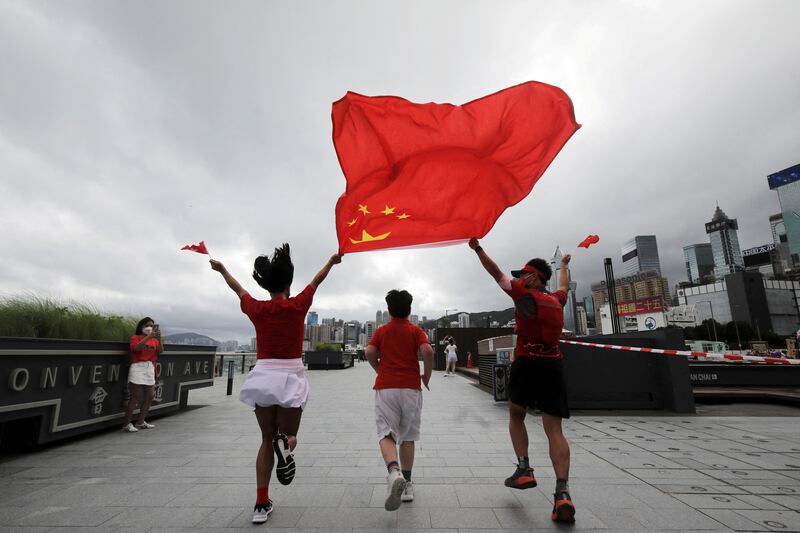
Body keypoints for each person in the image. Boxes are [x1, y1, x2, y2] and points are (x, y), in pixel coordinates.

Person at [210, 244, 341, 524]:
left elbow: (238, 289)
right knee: (288, 436)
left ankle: (260, 504)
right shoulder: (297, 305)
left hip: (263, 376)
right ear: (288, 284)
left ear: (266, 285)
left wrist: (222, 269)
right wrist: (331, 260)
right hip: (290, 375)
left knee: (265, 440)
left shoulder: (257, 308)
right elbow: (316, 281)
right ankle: (287, 445)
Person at [468, 237, 576, 524]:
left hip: (527, 362)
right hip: (553, 365)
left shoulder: (522, 295)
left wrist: (477, 248)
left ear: (533, 277)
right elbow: (563, 284)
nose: (519, 279)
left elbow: (495, 273)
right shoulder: (557, 300)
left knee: (516, 415)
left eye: (523, 275)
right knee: (555, 429)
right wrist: (563, 265)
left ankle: (524, 469)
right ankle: (562, 493)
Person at [366, 290, 433, 511]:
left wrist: (379, 369)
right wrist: (426, 376)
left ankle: (393, 471)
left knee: (386, 433)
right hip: (411, 388)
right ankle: (407, 484)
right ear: (409, 309)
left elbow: (369, 351)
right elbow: (428, 351)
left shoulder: (382, 330)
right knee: (408, 437)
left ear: (388, 310)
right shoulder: (415, 330)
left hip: (386, 388)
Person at [124, 317, 163, 432]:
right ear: (141, 327)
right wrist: (148, 337)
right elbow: (136, 349)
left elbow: (160, 351)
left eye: (152, 325)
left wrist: (159, 339)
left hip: (149, 367)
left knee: (150, 396)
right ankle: (127, 424)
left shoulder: (154, 340)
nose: (149, 327)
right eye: (147, 325)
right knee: (134, 397)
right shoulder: (135, 338)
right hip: (137, 367)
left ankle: (140, 422)